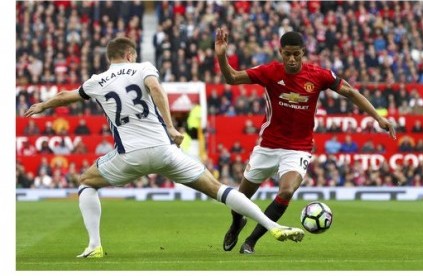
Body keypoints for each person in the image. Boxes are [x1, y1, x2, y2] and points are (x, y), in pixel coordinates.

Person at [24, 37, 304, 259]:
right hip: (164, 150)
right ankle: (274, 226)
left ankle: (94, 245)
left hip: (129, 156)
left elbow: (66, 96)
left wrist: (43, 105)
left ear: (110, 57)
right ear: (130, 55)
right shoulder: (143, 67)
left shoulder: (96, 81)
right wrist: (170, 126)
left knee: (86, 181)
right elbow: (156, 89)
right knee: (219, 189)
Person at [215, 29, 396, 254]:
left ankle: (251, 242)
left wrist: (378, 117)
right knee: (239, 200)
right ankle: (236, 224)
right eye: (287, 54)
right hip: (267, 146)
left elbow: (349, 92)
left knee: (286, 192)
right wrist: (222, 55)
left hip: (297, 148)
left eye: (296, 55)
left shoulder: (318, 75)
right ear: (280, 52)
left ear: (303, 53)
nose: (292, 59)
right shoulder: (270, 72)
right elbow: (231, 78)